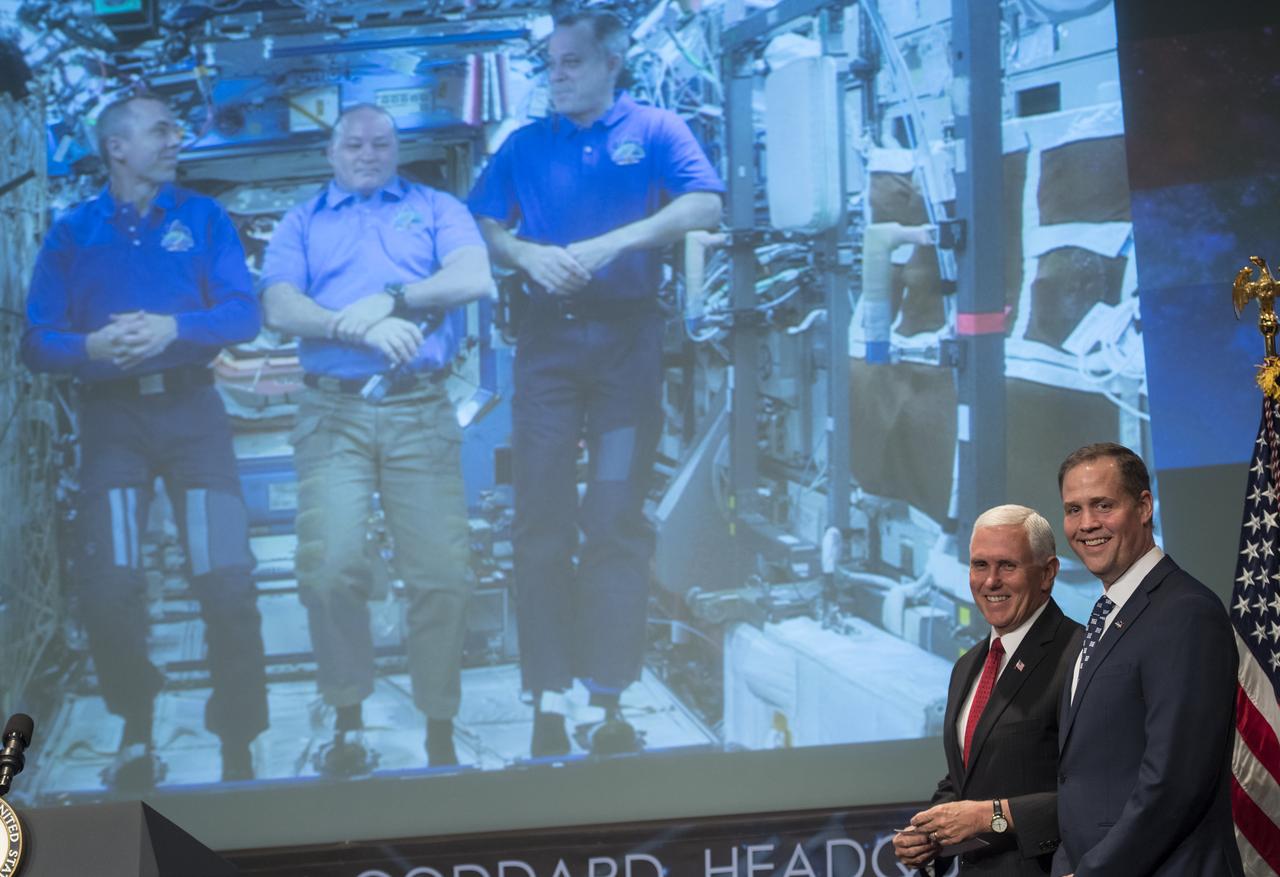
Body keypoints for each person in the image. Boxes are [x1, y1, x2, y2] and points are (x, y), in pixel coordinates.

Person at [467, 9, 723, 758]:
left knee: (613, 515)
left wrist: (614, 241)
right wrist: (523, 254)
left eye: (571, 61)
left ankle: (607, 697)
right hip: (547, 352)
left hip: (625, 349)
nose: (557, 72)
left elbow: (704, 203)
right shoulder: (524, 146)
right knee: (540, 515)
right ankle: (547, 696)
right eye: (551, 62)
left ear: (611, 64)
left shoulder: (655, 130)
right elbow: (482, 223)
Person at [22, 94, 268, 787]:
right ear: (117, 148)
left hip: (193, 417)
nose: (175, 138)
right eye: (160, 130)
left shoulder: (203, 218)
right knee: (110, 588)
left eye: (175, 129)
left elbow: (241, 313)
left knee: (226, 581)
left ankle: (239, 741)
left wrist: (173, 329)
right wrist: (92, 345)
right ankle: (136, 727)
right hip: (113, 427)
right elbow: (37, 342)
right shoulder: (73, 233)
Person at [260, 104, 493, 772]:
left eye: (381, 143)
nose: (368, 153)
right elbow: (279, 306)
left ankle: (439, 723)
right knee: (332, 567)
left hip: (419, 407)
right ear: (331, 153)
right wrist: (351, 327)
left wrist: (393, 299)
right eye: (354, 144)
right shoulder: (303, 221)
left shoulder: (436, 206)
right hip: (332, 415)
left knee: (443, 574)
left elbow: (473, 276)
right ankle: (348, 715)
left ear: (397, 149)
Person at [1052, 443, 1243, 877]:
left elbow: (1174, 782)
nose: (1086, 525)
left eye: (1103, 505)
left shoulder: (1185, 611)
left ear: (1143, 506)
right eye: (1073, 509)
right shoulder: (1106, 614)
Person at [894, 505, 1081, 875]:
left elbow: (1100, 792)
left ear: (1048, 573)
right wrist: (929, 833)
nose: (990, 581)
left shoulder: (1080, 656)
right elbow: (969, 775)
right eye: (980, 565)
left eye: (1007, 565)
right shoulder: (968, 666)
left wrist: (990, 817)